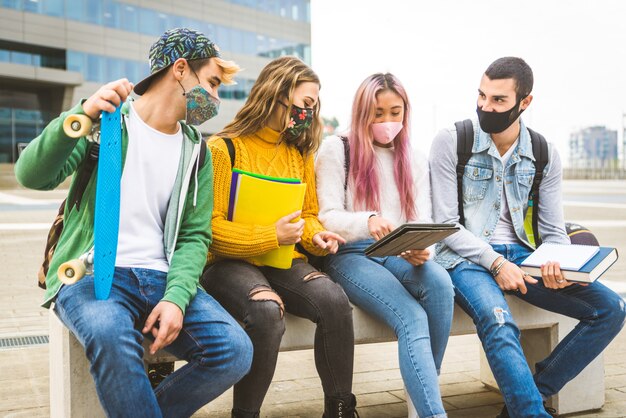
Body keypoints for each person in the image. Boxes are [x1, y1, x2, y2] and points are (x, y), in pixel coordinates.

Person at [15, 28, 253, 417]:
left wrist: (176, 298)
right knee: (110, 335)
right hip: (94, 274)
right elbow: (32, 176)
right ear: (180, 69)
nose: (214, 98)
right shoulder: (105, 121)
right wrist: (81, 114)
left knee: (234, 350)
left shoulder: (197, 151)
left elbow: (194, 235)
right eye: (211, 82)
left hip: (160, 277)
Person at [429, 56, 626, 418]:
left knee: (611, 309)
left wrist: (558, 264)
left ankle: (529, 397)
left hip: (524, 256)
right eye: (482, 96)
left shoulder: (543, 152)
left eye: (499, 100)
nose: (486, 106)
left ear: (525, 103)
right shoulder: (452, 141)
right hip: (464, 259)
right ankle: (531, 412)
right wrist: (496, 262)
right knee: (499, 320)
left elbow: (552, 230)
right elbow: (445, 225)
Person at [200, 56, 357, 418]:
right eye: (305, 104)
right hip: (228, 264)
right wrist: (270, 234)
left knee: (333, 300)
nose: (308, 113)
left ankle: (340, 410)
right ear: (276, 94)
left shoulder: (298, 152)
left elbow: (307, 216)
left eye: (314, 106)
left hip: (283, 259)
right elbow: (208, 231)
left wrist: (317, 236)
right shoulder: (223, 149)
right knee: (266, 311)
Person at [316, 73, 454, 418]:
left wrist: (423, 250)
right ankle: (431, 412)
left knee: (440, 284)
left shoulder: (414, 158)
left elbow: (422, 218)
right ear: (362, 112)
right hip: (350, 253)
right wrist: (368, 220)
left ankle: (420, 397)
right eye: (378, 113)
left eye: (396, 112)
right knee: (411, 317)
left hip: (397, 251)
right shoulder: (337, 148)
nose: (388, 122)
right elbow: (327, 215)